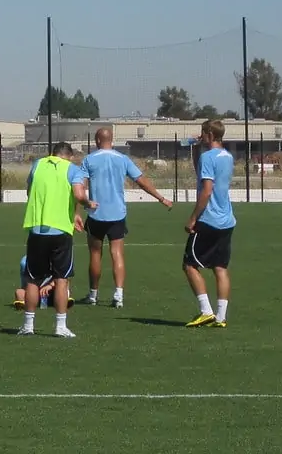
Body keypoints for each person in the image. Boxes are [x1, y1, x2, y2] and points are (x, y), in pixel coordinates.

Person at [80, 128, 172, 308]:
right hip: (117, 214)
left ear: (97, 140)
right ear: (111, 140)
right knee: (117, 253)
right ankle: (118, 295)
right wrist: (161, 198)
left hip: (96, 213)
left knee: (95, 254)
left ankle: (93, 295)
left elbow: (80, 187)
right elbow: (141, 180)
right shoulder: (122, 159)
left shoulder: (89, 160)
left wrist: (82, 205)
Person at [19, 142, 96, 337]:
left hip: (37, 228)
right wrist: (88, 203)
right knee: (62, 279)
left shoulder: (37, 164)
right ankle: (60, 327)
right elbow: (79, 194)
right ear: (68, 156)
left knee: (33, 279)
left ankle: (28, 326)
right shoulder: (72, 169)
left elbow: (29, 191)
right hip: (61, 230)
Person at [183, 120, 235, 328]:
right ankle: (221, 317)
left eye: (204, 134)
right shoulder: (227, 156)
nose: (201, 136)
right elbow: (202, 173)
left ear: (210, 135)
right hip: (226, 220)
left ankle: (206, 311)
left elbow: (206, 190)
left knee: (189, 265)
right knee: (220, 267)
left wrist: (193, 217)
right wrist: (196, 150)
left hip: (209, 219)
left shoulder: (207, 157)